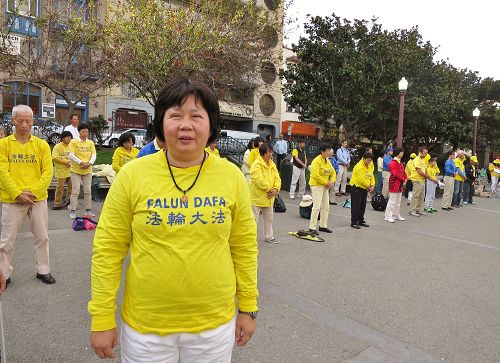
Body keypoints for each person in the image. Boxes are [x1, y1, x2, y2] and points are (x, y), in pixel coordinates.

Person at [89, 78, 258, 362]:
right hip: (146, 329)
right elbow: (108, 250)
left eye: (196, 116)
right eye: (175, 115)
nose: (185, 125)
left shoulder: (231, 177)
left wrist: (248, 307)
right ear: (161, 123)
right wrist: (102, 317)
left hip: (214, 327)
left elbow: (244, 247)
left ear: (211, 124)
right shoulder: (133, 175)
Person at [0, 104, 56, 285]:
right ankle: (4, 275)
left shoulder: (41, 145)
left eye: (28, 121)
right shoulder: (4, 144)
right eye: (20, 120)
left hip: (37, 199)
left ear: (33, 122)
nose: (24, 124)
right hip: (12, 199)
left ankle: (43, 270)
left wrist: (32, 192)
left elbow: (48, 172)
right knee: (6, 241)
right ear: (13, 120)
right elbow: (2, 172)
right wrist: (17, 193)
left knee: (42, 236)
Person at [250, 143, 281, 244]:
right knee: (253, 220)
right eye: (269, 152)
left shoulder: (272, 164)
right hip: (257, 197)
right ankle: (250, 239)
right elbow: (258, 179)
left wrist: (276, 189)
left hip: (269, 197)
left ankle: (269, 236)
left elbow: (277, 178)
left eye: (271, 152)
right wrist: (269, 189)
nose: (271, 154)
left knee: (269, 218)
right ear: (263, 153)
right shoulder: (256, 164)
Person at [68, 123, 97, 219]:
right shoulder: (74, 142)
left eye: (87, 132)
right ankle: (72, 210)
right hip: (76, 170)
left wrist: (90, 163)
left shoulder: (91, 143)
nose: (85, 133)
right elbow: (71, 155)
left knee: (88, 190)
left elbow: (94, 154)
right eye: (83, 131)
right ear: (79, 132)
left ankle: (88, 210)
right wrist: (81, 163)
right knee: (75, 190)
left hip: (88, 170)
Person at [308, 143, 335, 234]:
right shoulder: (316, 161)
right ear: (322, 151)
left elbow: (333, 172)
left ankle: (323, 226)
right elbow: (315, 175)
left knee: (326, 207)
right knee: (316, 207)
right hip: (316, 186)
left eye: (329, 150)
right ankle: (312, 227)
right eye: (327, 151)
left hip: (325, 186)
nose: (329, 152)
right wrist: (326, 182)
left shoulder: (327, 160)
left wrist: (331, 181)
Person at [349, 152, 374, 229]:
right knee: (356, 205)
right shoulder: (359, 166)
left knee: (363, 205)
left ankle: (361, 220)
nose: (369, 162)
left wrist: (372, 184)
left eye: (370, 160)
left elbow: (371, 176)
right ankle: (354, 222)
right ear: (364, 158)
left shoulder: (369, 165)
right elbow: (361, 179)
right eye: (368, 160)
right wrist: (368, 186)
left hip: (364, 188)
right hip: (356, 187)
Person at [51, 131, 73, 210]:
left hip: (71, 170)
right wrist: (65, 162)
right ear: (63, 138)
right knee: (60, 187)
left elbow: (75, 156)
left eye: (70, 137)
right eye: (67, 137)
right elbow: (55, 157)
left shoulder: (72, 146)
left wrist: (70, 163)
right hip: (61, 170)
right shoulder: (58, 146)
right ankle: (57, 203)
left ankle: (69, 200)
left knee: (72, 186)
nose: (68, 139)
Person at [384, 147, 407, 223]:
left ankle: (396, 215)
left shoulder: (400, 162)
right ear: (399, 153)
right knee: (392, 200)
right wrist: (404, 179)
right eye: (402, 152)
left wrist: (405, 178)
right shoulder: (393, 162)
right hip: (394, 183)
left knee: (398, 201)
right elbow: (395, 174)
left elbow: (404, 172)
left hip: (399, 183)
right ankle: (388, 216)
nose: (403, 154)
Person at [408, 147, 431, 217]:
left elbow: (425, 169)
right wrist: (428, 176)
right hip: (417, 179)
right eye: (425, 153)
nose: (426, 154)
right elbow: (419, 171)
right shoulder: (417, 159)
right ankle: (412, 210)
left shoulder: (423, 160)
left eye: (427, 153)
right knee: (416, 195)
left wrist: (427, 175)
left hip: (422, 180)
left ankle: (418, 210)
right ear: (420, 152)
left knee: (421, 196)